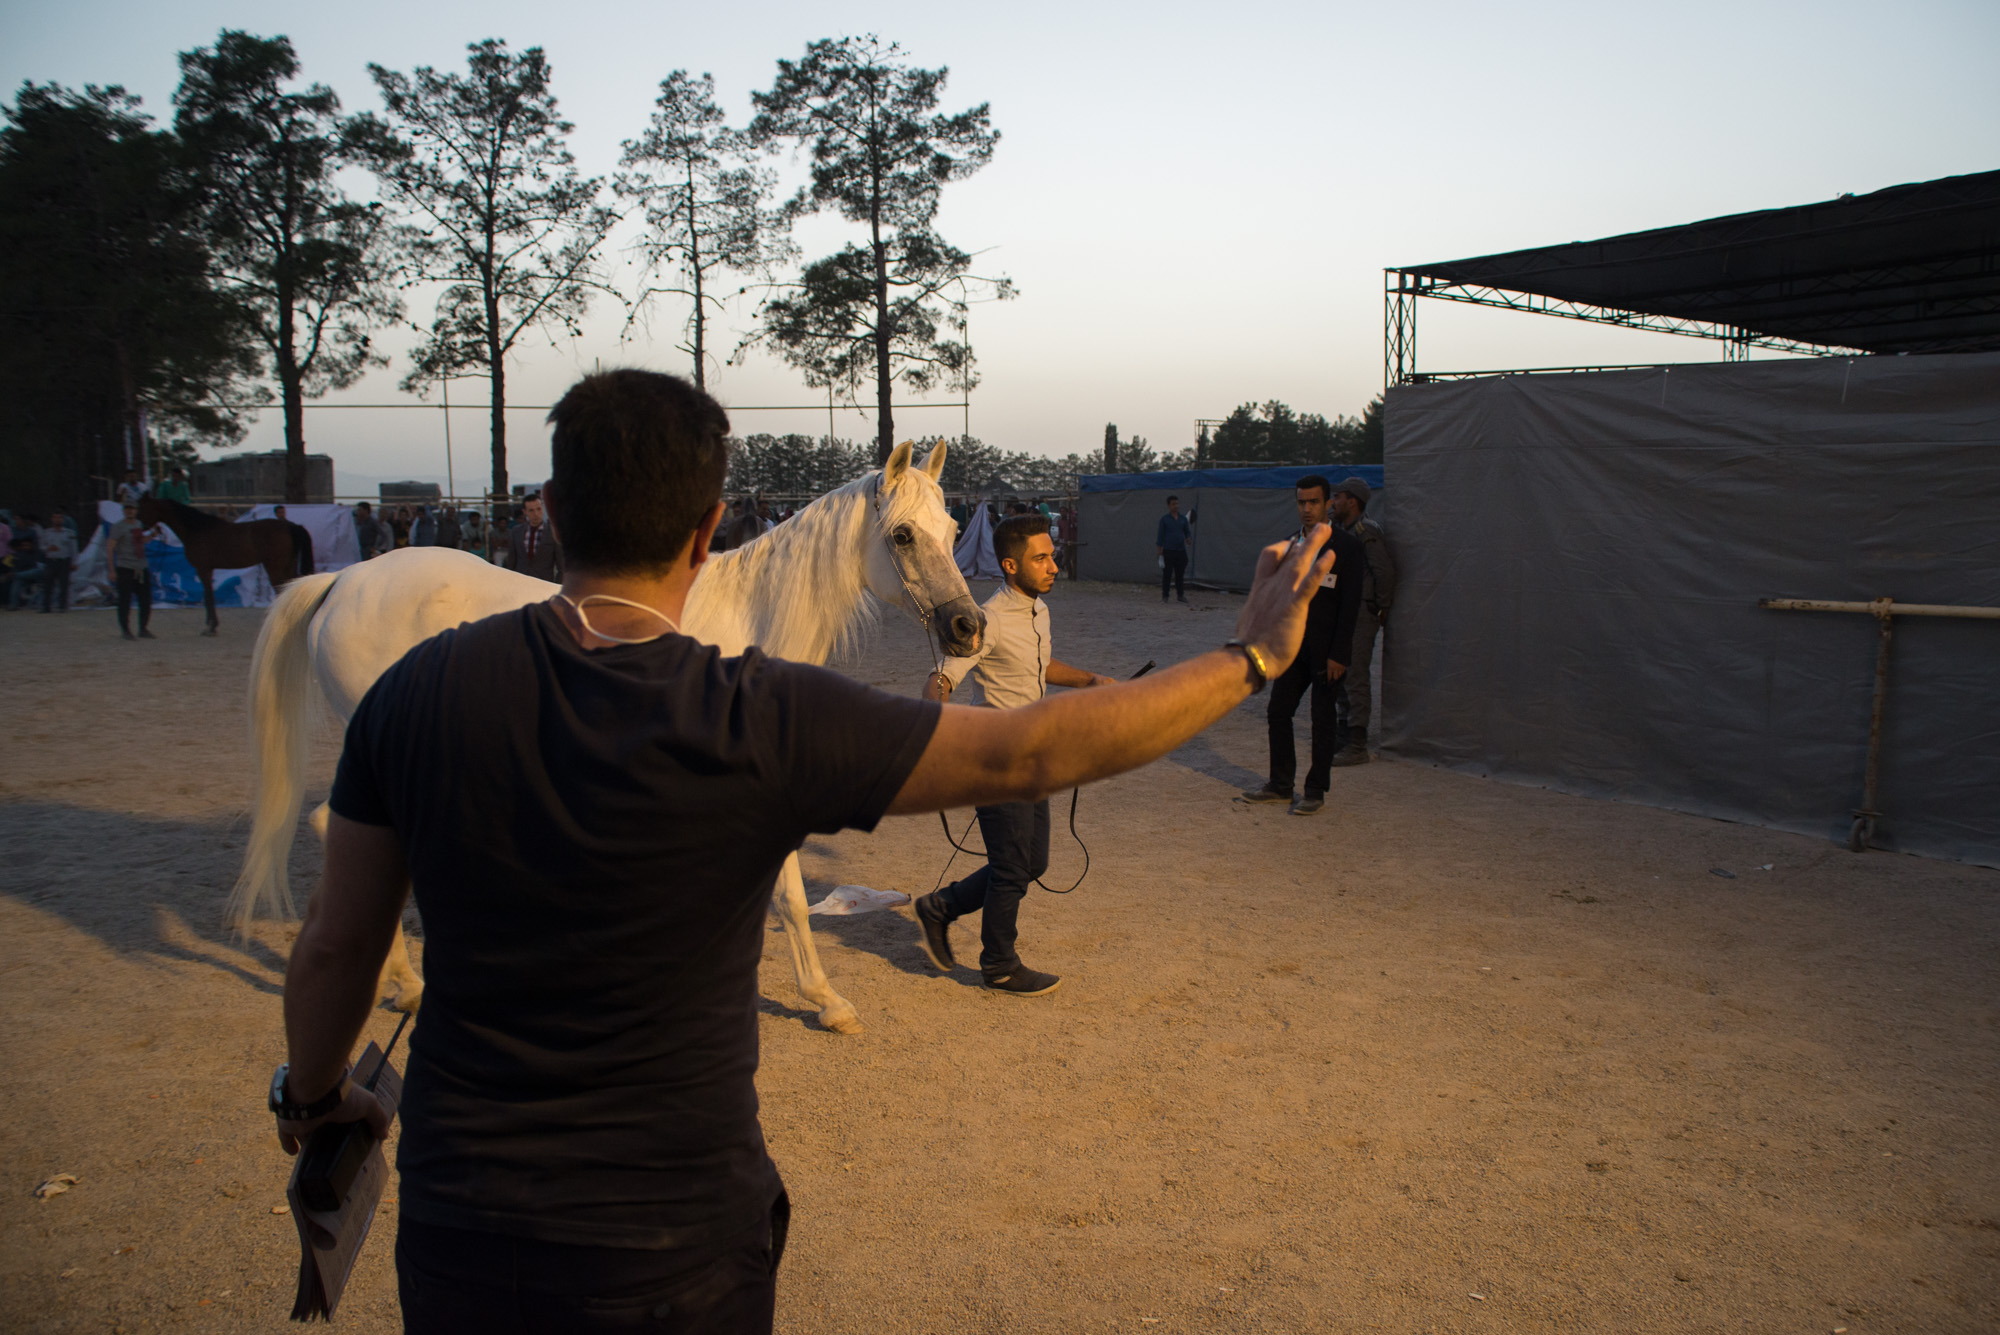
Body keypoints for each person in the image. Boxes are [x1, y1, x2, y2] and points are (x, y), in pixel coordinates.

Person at [266, 367, 1335, 1334]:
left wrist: (315, 1097)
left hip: (469, 1230)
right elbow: (1025, 756)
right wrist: (1251, 655)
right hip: (681, 1238)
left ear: (546, 519)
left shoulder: (416, 692)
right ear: (710, 527)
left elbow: (333, 948)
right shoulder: (763, 715)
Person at [914, 514, 1117, 996]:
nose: (1053, 565)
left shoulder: (1037, 609)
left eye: (1052, 555)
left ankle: (940, 906)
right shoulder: (987, 620)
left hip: (1034, 756)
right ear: (1010, 565)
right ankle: (999, 965)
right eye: (1040, 558)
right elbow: (941, 677)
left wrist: (1090, 681)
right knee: (1010, 867)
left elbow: (1039, 664)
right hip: (995, 759)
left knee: (1032, 864)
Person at [1238, 476, 1365, 815]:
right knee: (1278, 712)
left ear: (1328, 504)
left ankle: (1314, 791)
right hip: (1291, 649)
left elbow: (1351, 607)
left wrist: (1340, 654)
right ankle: (1280, 785)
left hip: (1327, 652)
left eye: (1313, 502)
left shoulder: (1347, 548)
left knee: (1323, 720)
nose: (1306, 509)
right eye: (1301, 502)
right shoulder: (1289, 546)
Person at [1328, 478, 1396, 766]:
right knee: (1339, 672)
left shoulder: (1365, 531)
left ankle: (1357, 742)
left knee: (1355, 673)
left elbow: (1384, 571)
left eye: (1338, 496)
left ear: (1352, 501)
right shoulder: (1340, 531)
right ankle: (1344, 733)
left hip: (1361, 613)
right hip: (1344, 612)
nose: (1333, 502)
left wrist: (1381, 607)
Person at [105, 501, 157, 639]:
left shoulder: (139, 524)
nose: (130, 511)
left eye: (132, 509)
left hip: (141, 567)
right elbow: (110, 547)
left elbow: (140, 541)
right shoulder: (118, 527)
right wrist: (111, 570)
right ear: (123, 510)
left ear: (136, 510)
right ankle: (126, 630)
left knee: (146, 600)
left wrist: (152, 535)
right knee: (125, 601)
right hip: (125, 567)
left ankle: (143, 628)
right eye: (127, 509)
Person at [504, 493, 561, 580]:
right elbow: (511, 561)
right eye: (531, 510)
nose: (536, 514)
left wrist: (555, 587)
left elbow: (562, 566)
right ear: (525, 512)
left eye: (538, 509)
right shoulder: (516, 532)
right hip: (521, 582)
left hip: (543, 584)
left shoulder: (552, 532)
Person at [38, 507, 76, 613]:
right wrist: (47, 548)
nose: (57, 520)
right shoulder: (47, 532)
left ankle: (62, 606)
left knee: (63, 584)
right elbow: (41, 546)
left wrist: (74, 562)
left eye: (59, 518)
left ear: (63, 520)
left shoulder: (69, 533)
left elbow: (73, 548)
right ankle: (46, 606)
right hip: (51, 560)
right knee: (48, 584)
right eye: (55, 517)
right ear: (52, 519)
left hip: (64, 560)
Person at [1156, 494, 1192, 604]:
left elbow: (1187, 532)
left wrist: (1188, 538)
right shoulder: (1164, 520)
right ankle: (1165, 596)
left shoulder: (1183, 519)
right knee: (1167, 574)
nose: (1176, 506)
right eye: (1173, 504)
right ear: (1168, 505)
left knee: (1180, 574)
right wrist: (1159, 551)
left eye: (1177, 503)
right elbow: (1160, 536)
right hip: (1168, 550)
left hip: (1180, 550)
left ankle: (1180, 595)